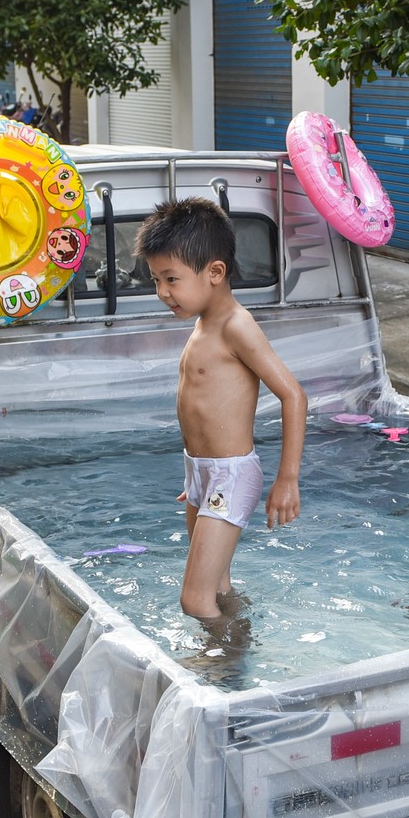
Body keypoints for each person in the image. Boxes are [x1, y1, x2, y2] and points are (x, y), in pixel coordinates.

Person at [135, 197, 307, 621]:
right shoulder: (202, 321)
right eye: (156, 280)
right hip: (204, 472)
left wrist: (287, 480)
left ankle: (211, 678)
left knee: (194, 600)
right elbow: (202, 407)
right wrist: (196, 472)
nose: (162, 292)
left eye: (171, 279)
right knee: (217, 587)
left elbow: (293, 395)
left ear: (215, 272)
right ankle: (234, 665)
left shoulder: (236, 326)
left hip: (229, 475)